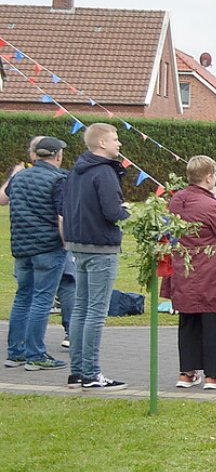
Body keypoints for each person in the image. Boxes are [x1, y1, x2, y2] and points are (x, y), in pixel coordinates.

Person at [162, 156, 216, 390]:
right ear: (209, 177)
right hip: (212, 269)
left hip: (184, 267)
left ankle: (187, 373)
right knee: (215, 318)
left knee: (188, 318)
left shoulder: (177, 200)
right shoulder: (211, 206)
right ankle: (215, 375)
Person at [60, 123, 130, 390]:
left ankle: (77, 372)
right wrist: (128, 213)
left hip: (77, 244)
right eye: (115, 139)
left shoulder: (76, 171)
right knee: (95, 313)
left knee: (80, 309)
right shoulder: (103, 172)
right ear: (101, 143)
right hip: (100, 246)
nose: (119, 143)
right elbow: (112, 212)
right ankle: (91, 373)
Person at [4, 136, 70, 373]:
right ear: (57, 155)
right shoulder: (59, 179)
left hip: (21, 246)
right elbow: (62, 216)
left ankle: (15, 352)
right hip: (48, 246)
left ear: (36, 154)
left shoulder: (19, 177)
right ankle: (35, 354)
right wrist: (66, 244)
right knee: (42, 300)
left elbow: (5, 198)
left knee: (23, 297)